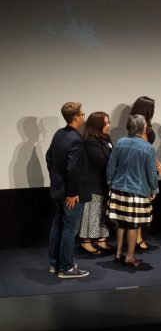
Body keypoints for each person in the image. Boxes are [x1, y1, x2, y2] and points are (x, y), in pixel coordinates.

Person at [107, 114, 159, 268]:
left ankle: (118, 253)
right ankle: (129, 257)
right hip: (137, 190)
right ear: (144, 128)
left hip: (118, 187)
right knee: (133, 225)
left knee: (121, 222)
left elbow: (111, 166)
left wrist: (110, 182)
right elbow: (151, 171)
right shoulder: (147, 147)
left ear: (128, 128)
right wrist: (154, 188)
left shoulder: (120, 143)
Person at [46, 102, 90, 278]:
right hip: (71, 194)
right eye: (82, 114)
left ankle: (54, 264)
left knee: (58, 225)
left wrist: (56, 179)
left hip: (58, 189)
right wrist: (72, 193)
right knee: (69, 229)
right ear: (76, 117)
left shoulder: (59, 134)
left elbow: (49, 157)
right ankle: (66, 268)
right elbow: (73, 169)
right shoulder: (75, 139)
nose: (84, 116)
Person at [130, 96, 161, 251]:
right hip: (142, 168)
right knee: (142, 205)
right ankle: (138, 239)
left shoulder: (135, 122)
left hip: (140, 166)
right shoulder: (141, 125)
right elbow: (145, 148)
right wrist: (156, 163)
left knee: (142, 205)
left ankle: (138, 237)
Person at [79, 111, 113, 255]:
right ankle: (86, 241)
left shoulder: (106, 138)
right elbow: (100, 162)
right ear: (97, 125)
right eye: (106, 123)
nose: (109, 125)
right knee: (92, 212)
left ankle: (101, 239)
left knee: (102, 212)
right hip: (93, 183)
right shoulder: (90, 140)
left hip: (105, 182)